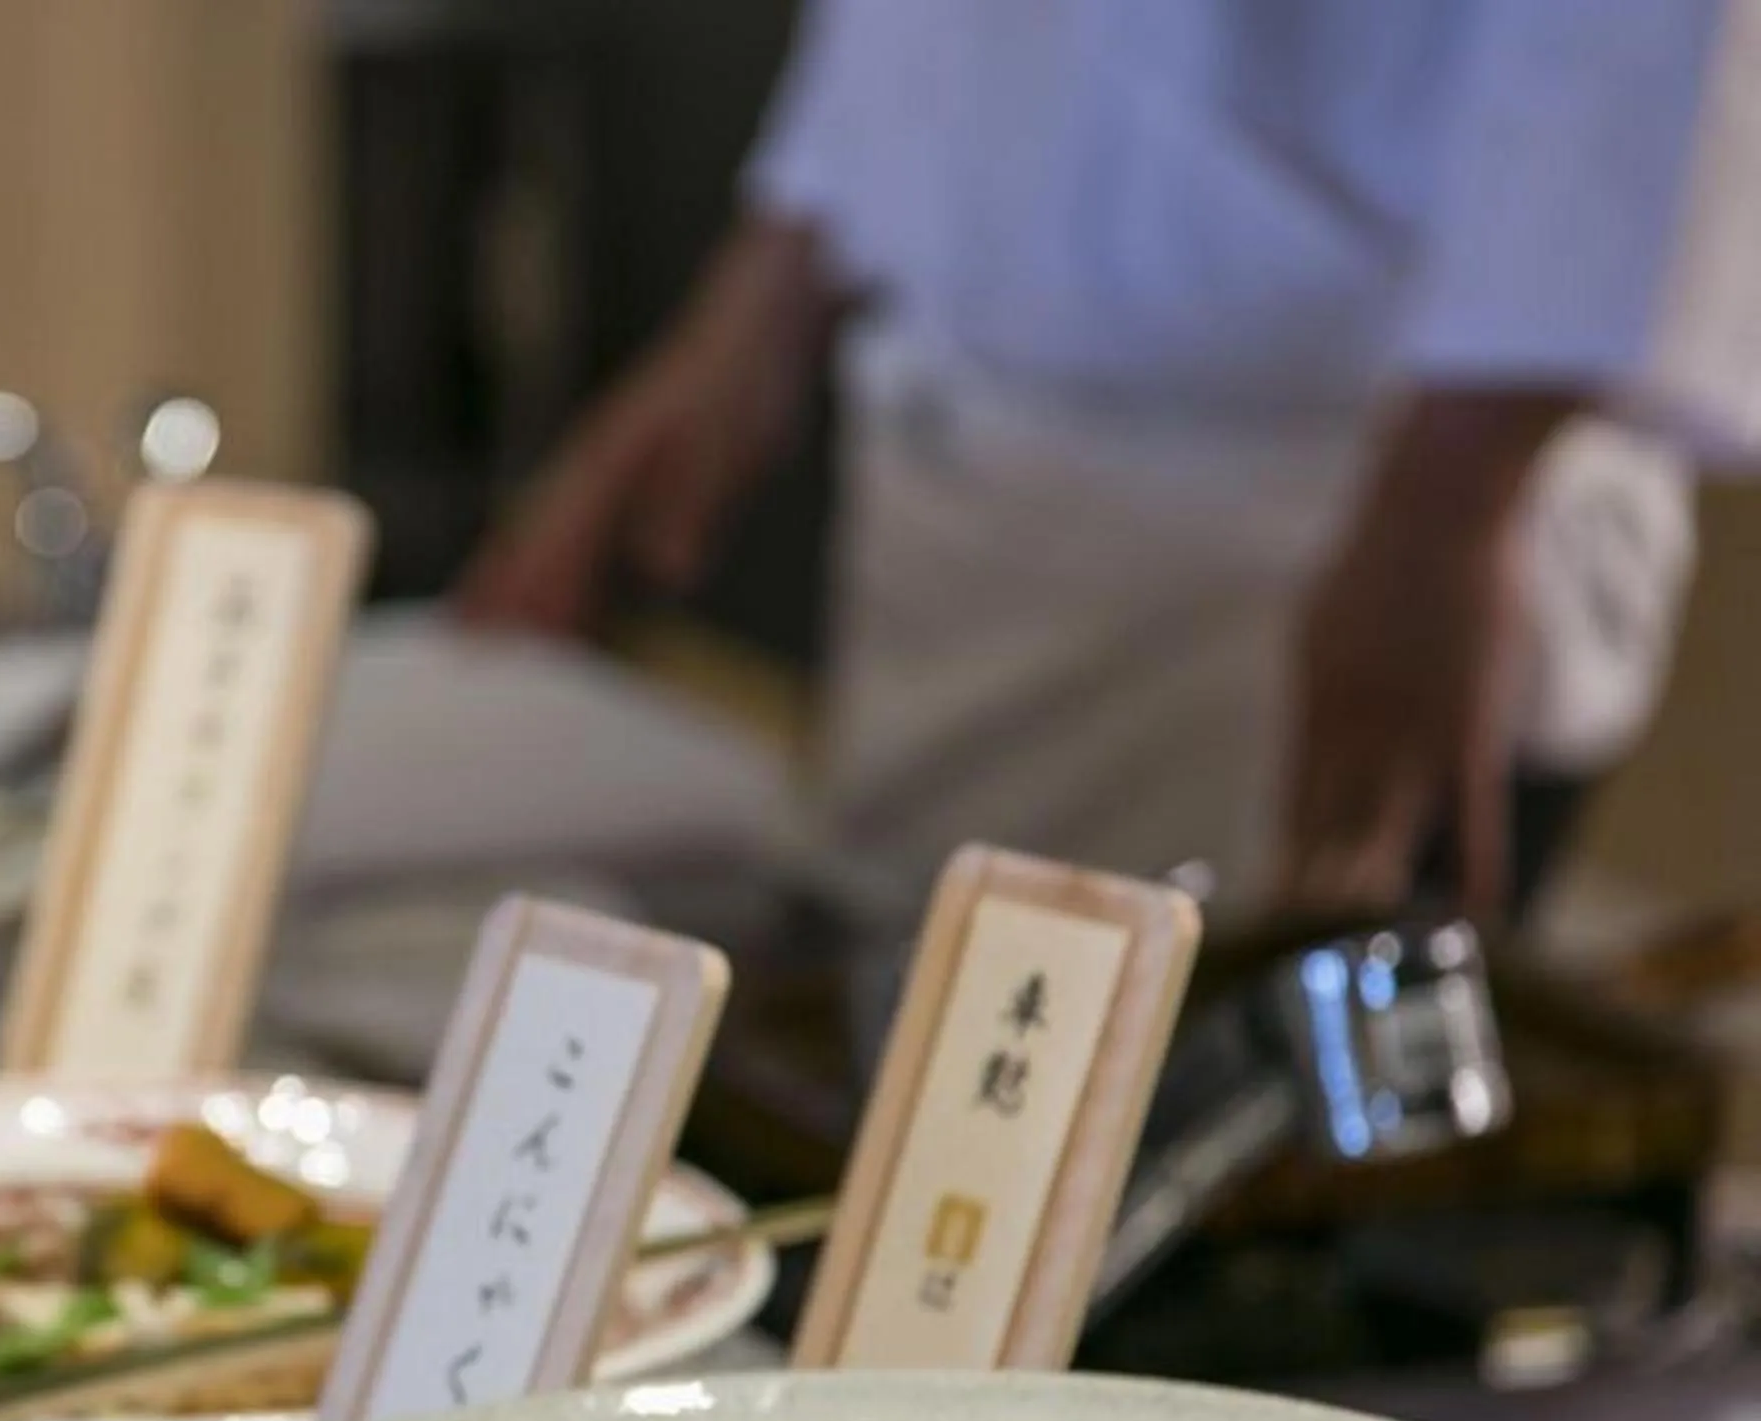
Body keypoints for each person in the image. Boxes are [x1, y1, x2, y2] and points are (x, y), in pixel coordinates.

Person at [459, 0, 1760, 919]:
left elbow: (1629, 43)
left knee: (1213, 1169)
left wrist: (1454, 499)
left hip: (1336, 483)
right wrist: (769, 278)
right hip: (981, 456)